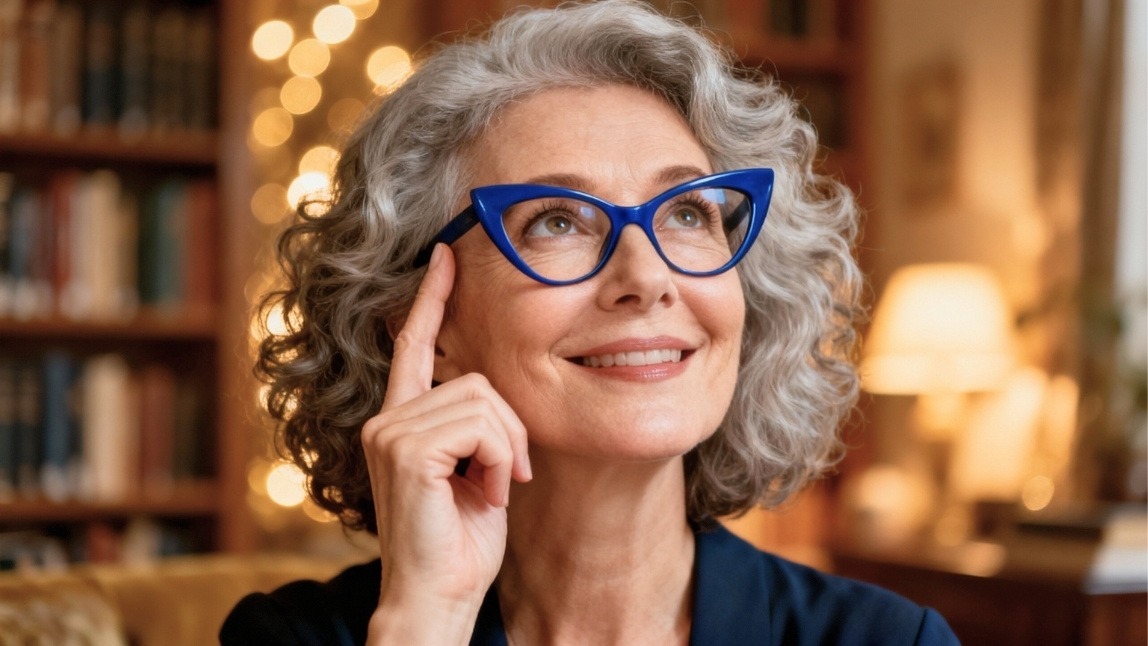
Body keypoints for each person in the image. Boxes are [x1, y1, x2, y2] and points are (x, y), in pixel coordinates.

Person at [221, 1, 959, 644]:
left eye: (686, 212)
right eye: (556, 221)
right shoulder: (295, 637)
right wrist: (428, 620)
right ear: (424, 320)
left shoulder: (890, 639)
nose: (646, 278)